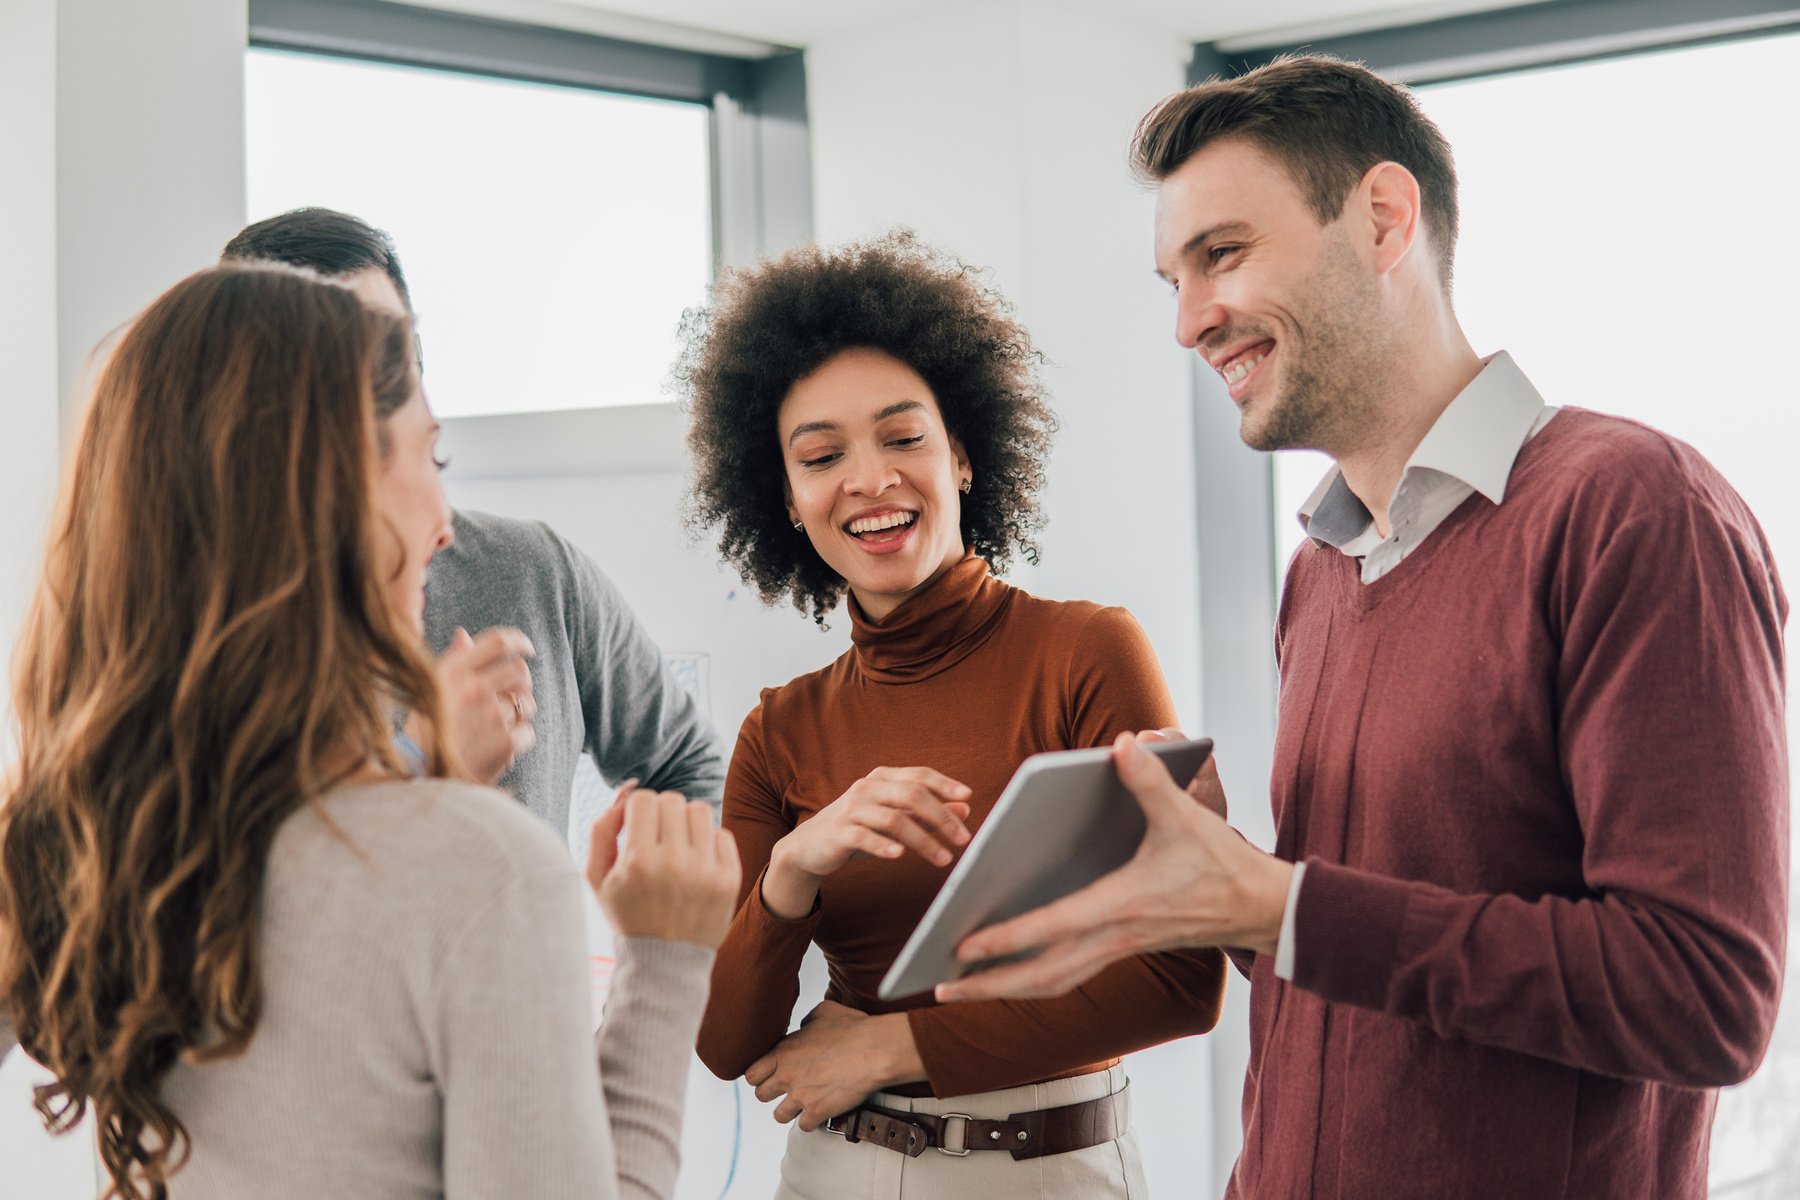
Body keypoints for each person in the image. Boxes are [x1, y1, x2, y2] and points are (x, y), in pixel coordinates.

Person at [936, 55, 1790, 1200]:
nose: (1190, 321)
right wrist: (1228, 888)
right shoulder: (1322, 570)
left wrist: (1278, 903)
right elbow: (1349, 957)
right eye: (1171, 281)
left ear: (1385, 218)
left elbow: (1701, 995)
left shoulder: (1634, 509)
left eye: (1222, 255)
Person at [0, 263, 740, 1199]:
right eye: (425, 460)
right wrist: (664, 962)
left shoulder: (72, 831)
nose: (444, 521)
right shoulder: (485, 872)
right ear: (324, 499)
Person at [678, 231, 1227, 1199]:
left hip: (1049, 1168)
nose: (870, 479)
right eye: (821, 456)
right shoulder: (781, 730)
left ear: (965, 455)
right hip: (835, 1171)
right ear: (790, 503)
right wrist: (793, 872)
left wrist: (896, 1045)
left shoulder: (1085, 652)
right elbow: (730, 1044)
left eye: (904, 437)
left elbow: (1182, 981)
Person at [221, 208, 727, 829]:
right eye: (321, 360)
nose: (367, 385)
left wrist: (656, 911)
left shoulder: (531, 571)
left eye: (388, 350)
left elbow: (688, 765)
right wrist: (425, 766)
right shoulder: (188, 637)